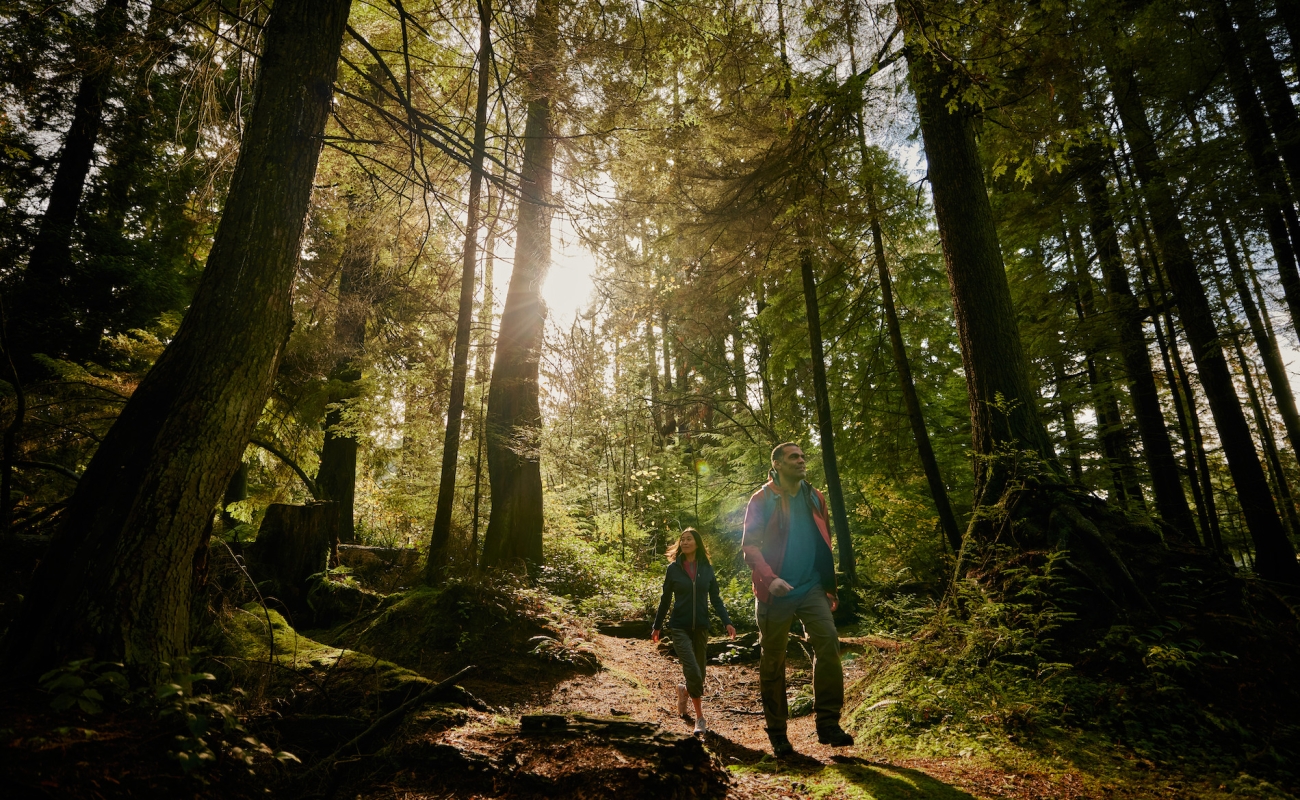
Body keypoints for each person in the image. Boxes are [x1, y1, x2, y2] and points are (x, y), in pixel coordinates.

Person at [741, 442, 853, 756]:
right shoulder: (762, 499)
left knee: (829, 641)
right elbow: (749, 546)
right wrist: (770, 577)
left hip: (811, 587)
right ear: (776, 464)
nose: (801, 461)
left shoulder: (814, 496)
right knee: (773, 660)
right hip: (774, 592)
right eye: (794, 457)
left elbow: (823, 541)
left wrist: (829, 587)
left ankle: (828, 723)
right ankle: (778, 733)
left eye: (803, 456)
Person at [651, 527, 736, 735]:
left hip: (701, 628)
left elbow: (715, 598)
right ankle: (700, 719)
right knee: (693, 671)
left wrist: (727, 622)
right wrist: (657, 625)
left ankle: (685, 690)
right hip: (679, 627)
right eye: (682, 540)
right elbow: (665, 599)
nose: (685, 542)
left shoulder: (706, 568)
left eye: (689, 539)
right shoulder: (673, 569)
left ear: (697, 543)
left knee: (700, 674)